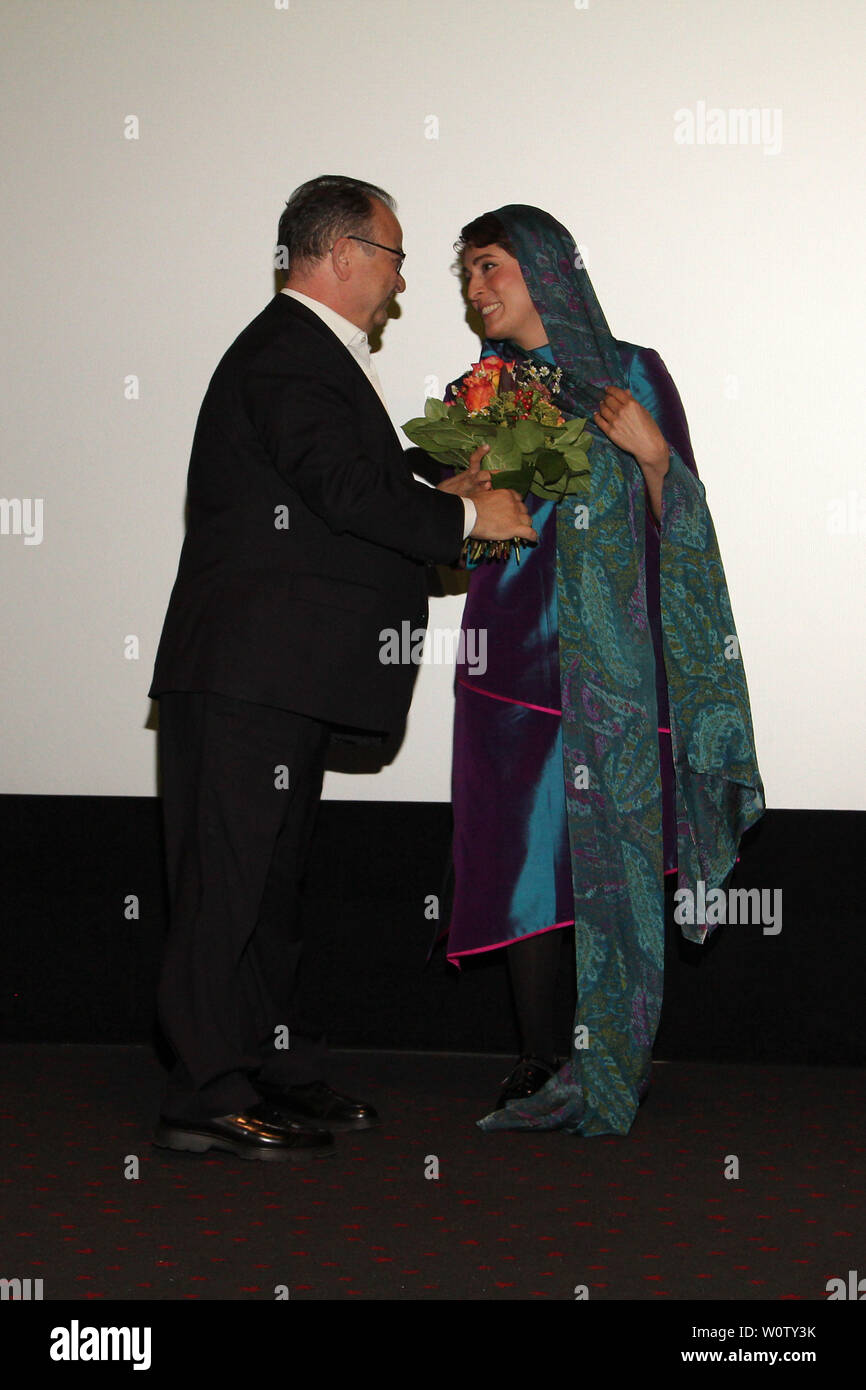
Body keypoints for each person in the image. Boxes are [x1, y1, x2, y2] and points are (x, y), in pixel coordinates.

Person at [148, 176, 535, 1161]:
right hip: (246, 673)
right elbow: (339, 486)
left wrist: (438, 483)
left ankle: (270, 1065)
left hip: (280, 675)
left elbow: (350, 477)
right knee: (227, 886)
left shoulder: (312, 357)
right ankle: (205, 1089)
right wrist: (462, 515)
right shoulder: (288, 351)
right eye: (398, 258)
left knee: (269, 890)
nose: (403, 284)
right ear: (346, 253)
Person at [443, 205, 764, 1136]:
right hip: (511, 669)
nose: (475, 290)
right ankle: (541, 1060)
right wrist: (461, 491)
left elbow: (686, 520)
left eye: (490, 267)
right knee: (525, 866)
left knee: (612, 860)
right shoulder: (481, 392)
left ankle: (614, 1051)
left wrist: (652, 452)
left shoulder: (633, 374)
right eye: (466, 273)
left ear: (545, 268)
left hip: (615, 670)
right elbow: (459, 542)